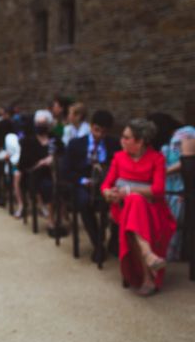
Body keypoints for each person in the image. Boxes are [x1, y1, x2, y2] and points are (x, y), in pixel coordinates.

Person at [101, 118, 176, 296]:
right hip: (122, 208)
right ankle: (148, 257)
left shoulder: (157, 159)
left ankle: (147, 273)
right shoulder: (118, 157)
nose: (122, 140)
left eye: (127, 137)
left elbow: (158, 190)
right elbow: (105, 185)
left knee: (135, 200)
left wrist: (129, 190)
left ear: (140, 141)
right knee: (134, 202)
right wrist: (107, 194)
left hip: (153, 209)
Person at [63, 110, 120, 262]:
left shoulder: (114, 144)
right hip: (82, 185)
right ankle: (98, 243)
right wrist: (83, 180)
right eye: (97, 130)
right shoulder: (75, 144)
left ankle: (114, 241)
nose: (100, 135)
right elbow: (65, 171)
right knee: (83, 201)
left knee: (121, 200)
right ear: (91, 127)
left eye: (104, 132)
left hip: (106, 185)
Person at [163, 125, 195, 260]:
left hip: (181, 188)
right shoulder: (166, 148)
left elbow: (186, 162)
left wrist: (164, 172)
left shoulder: (187, 134)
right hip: (172, 189)